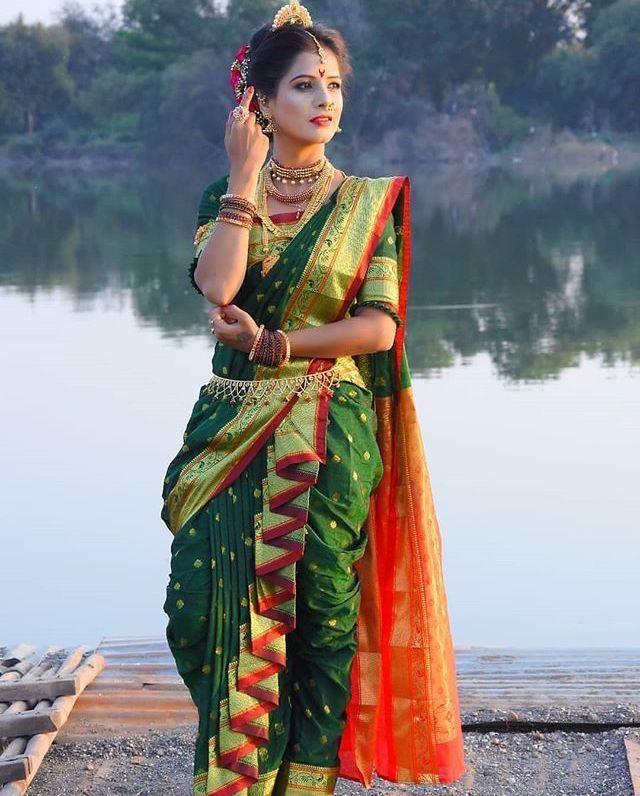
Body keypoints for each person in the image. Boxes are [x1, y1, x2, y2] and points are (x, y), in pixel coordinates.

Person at [160, 2, 466, 794]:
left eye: (333, 84)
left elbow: (378, 327)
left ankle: (304, 784)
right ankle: (238, 776)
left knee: (321, 617)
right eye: (303, 85)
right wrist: (240, 177)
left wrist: (279, 344)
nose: (325, 99)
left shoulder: (370, 206)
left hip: (329, 433)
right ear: (259, 103)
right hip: (231, 427)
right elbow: (217, 285)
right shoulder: (222, 198)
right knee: (198, 610)